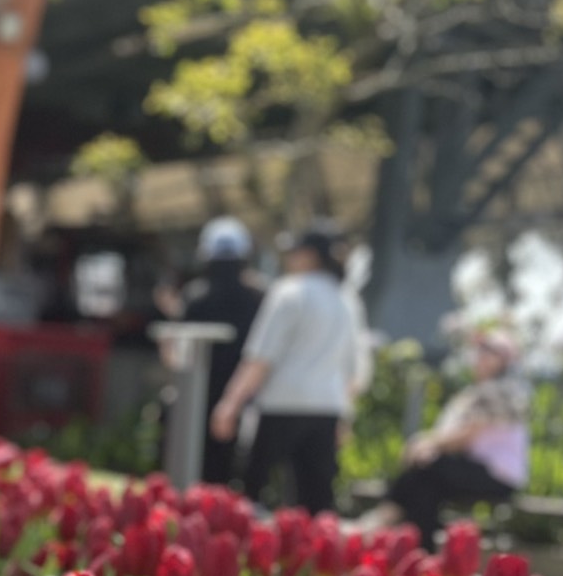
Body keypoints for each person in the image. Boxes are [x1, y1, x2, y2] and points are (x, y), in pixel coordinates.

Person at [209, 222, 364, 513]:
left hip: (281, 404)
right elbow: (354, 369)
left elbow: (260, 358)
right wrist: (346, 413)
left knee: (252, 495)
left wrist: (230, 404)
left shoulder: (289, 291)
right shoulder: (348, 300)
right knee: (316, 505)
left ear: (309, 255)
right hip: (327, 407)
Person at [372, 324, 530, 543]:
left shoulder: (500, 391)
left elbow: (464, 437)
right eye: (480, 350)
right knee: (425, 487)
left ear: (504, 360)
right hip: (481, 469)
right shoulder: (486, 390)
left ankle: (387, 519)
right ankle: (418, 546)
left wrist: (424, 443)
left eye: (489, 351)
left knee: (427, 468)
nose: (480, 356)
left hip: (497, 476)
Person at [160, 216, 265, 485]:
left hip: (198, 396)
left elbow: (176, 354)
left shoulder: (195, 296)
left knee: (195, 472)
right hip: (245, 397)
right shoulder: (259, 297)